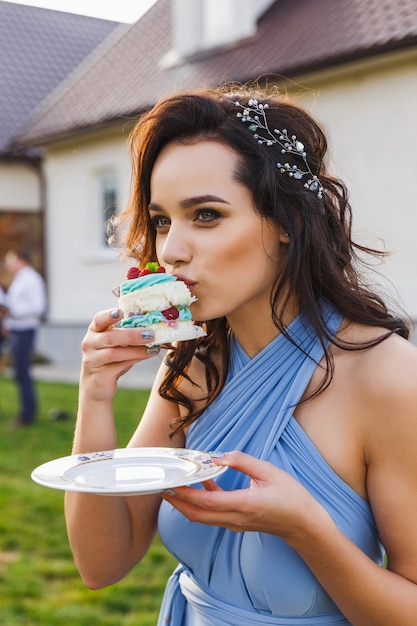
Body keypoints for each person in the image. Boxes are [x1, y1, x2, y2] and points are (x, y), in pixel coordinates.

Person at [65, 86, 417, 625]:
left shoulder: (388, 379)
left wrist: (306, 530)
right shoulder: (195, 363)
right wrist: (95, 395)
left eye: (205, 215)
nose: (171, 250)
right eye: (162, 220)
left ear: (287, 223)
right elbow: (102, 564)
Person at [3, 249, 47, 426]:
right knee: (19, 372)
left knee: (22, 372)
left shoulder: (31, 279)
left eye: (10, 260)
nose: (7, 264)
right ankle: (26, 412)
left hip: (25, 330)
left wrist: (12, 312)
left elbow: (38, 306)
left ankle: (27, 415)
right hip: (16, 330)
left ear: (20, 260)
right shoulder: (21, 278)